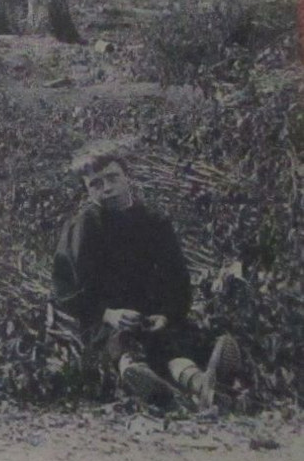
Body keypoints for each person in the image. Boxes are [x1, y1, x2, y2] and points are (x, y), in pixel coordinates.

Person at [52, 142, 241, 408]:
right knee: (120, 344)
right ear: (86, 190)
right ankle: (146, 380)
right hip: (106, 317)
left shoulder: (154, 222)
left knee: (171, 339)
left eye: (112, 178)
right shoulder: (84, 227)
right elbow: (66, 287)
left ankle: (201, 384)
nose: (107, 188)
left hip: (151, 314)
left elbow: (177, 279)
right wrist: (108, 314)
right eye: (95, 184)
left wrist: (166, 314)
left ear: (127, 177)